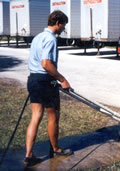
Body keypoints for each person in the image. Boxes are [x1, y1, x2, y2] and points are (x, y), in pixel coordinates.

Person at [24, 10, 72, 167]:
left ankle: (29, 154)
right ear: (58, 23)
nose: (63, 29)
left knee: (36, 116)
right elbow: (46, 64)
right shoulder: (51, 39)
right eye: (63, 25)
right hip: (45, 81)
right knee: (53, 116)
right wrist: (62, 79)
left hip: (33, 79)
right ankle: (56, 149)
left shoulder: (38, 37)